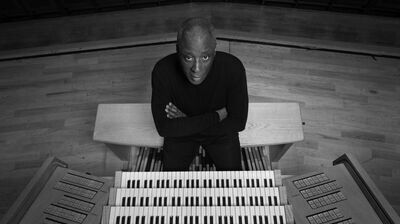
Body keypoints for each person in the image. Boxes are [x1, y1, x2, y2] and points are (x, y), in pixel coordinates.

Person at [151, 17, 248, 171]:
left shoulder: (233, 68)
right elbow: (164, 128)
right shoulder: (162, 71)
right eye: (188, 57)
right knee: (171, 185)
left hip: (217, 134)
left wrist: (186, 121)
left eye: (205, 57)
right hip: (190, 133)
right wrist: (217, 116)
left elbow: (238, 123)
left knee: (233, 184)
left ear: (214, 51)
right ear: (178, 50)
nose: (196, 68)